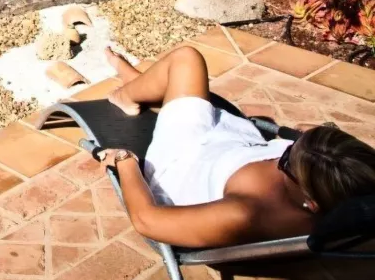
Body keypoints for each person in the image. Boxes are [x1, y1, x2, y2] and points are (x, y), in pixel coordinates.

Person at [96, 45, 375, 249]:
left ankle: (126, 94)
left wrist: (126, 160)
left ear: (311, 203)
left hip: (186, 155)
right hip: (235, 143)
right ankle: (138, 80)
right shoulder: (340, 184)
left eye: (287, 158)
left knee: (186, 59)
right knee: (182, 79)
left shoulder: (248, 214)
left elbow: (148, 220)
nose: (286, 149)